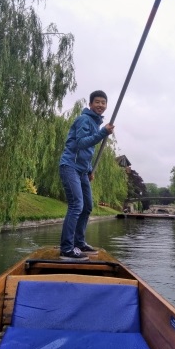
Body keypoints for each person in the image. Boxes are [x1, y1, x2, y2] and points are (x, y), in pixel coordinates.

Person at [59, 90, 115, 260]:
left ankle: (79, 242)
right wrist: (103, 132)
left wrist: (90, 170)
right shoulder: (84, 119)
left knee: (88, 206)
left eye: (103, 102)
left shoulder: (95, 123)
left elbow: (87, 152)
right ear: (90, 104)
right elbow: (82, 143)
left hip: (82, 170)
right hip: (70, 166)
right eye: (97, 102)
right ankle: (67, 248)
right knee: (77, 204)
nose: (100, 105)